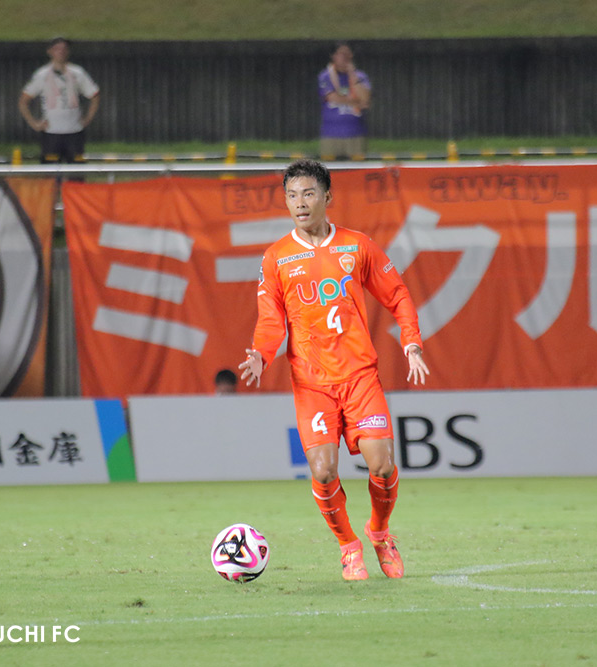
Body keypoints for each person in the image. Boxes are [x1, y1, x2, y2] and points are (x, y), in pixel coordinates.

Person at [239, 159, 429, 581]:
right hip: (312, 383)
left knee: (382, 465)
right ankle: (349, 547)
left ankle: (379, 533)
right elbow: (270, 320)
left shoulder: (357, 246)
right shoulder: (277, 258)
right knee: (323, 472)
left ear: (327, 196)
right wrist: (261, 355)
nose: (300, 203)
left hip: (360, 376)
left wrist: (411, 341)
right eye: (292, 195)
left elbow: (397, 294)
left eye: (308, 193)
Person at [19, 36, 100, 164]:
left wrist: (87, 119)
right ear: (50, 51)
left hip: (74, 131)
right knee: (50, 171)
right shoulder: (42, 74)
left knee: (76, 170)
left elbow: (94, 96)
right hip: (51, 132)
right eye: (57, 49)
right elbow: (23, 101)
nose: (61, 52)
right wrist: (34, 123)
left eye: (64, 49)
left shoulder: (78, 73)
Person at [318, 42, 371, 160]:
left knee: (357, 167)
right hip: (331, 133)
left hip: (355, 132)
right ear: (334, 56)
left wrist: (352, 75)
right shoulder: (326, 76)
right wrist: (357, 102)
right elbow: (332, 97)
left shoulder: (360, 76)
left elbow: (365, 98)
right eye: (341, 54)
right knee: (329, 167)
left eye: (347, 53)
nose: (344, 57)